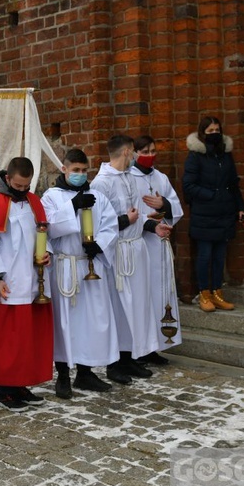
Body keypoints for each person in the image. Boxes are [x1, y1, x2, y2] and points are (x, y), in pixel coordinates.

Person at [91, 135, 171, 384]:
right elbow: (95, 226)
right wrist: (126, 220)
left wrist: (152, 227)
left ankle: (130, 358)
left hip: (136, 250)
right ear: (126, 152)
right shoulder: (100, 184)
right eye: (134, 152)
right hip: (118, 253)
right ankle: (114, 365)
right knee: (119, 308)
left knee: (137, 307)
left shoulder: (128, 178)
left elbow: (139, 213)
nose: (136, 156)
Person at [41, 148, 120, 398]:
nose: (80, 175)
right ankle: (63, 375)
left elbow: (110, 225)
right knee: (65, 323)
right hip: (65, 267)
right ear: (64, 169)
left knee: (91, 321)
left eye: (85, 170)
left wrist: (100, 245)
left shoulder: (97, 195)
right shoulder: (52, 196)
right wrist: (73, 206)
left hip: (91, 264)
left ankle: (85, 373)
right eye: (75, 170)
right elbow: (47, 228)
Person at [0, 158, 53, 410]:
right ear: (8, 178)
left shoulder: (33, 201)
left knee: (27, 338)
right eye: (18, 185)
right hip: (6, 281)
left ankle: (21, 384)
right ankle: (4, 389)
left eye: (27, 185)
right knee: (6, 339)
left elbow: (42, 234)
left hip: (32, 279)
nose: (23, 190)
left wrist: (47, 253)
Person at [183, 116, 244, 312]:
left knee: (220, 255)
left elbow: (233, 183)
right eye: (210, 131)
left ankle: (218, 293)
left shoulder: (225, 155)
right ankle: (204, 294)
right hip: (204, 214)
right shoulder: (195, 156)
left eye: (217, 130)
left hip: (225, 213)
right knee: (205, 255)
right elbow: (189, 186)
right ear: (203, 133)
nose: (214, 134)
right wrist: (211, 195)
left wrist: (240, 207)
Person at [131, 136, 184, 363]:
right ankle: (139, 348)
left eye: (153, 150)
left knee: (159, 296)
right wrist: (148, 220)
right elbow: (125, 212)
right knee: (142, 297)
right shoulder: (128, 179)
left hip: (160, 246)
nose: (150, 154)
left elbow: (177, 207)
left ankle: (155, 347)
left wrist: (164, 205)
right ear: (133, 153)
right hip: (140, 245)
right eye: (144, 150)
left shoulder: (160, 177)